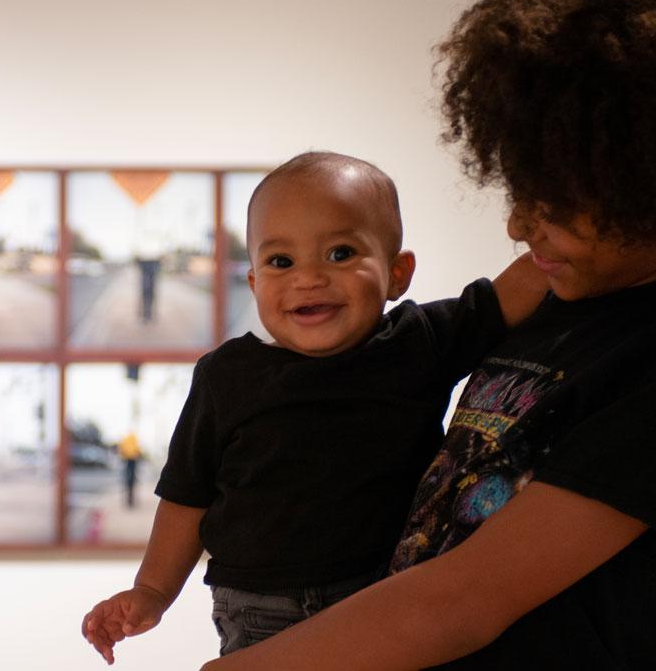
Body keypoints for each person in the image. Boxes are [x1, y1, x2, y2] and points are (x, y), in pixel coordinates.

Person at [203, 0, 656, 669]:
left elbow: (462, 602)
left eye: (554, 205)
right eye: (523, 188)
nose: (519, 224)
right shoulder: (555, 297)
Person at [81, 152, 548, 663]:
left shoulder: (420, 342)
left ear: (397, 273)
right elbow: (186, 495)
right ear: (256, 283)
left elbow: (514, 290)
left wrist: (561, 235)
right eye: (281, 262)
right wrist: (152, 591)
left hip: (384, 595)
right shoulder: (227, 375)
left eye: (341, 253)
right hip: (260, 608)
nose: (308, 278)